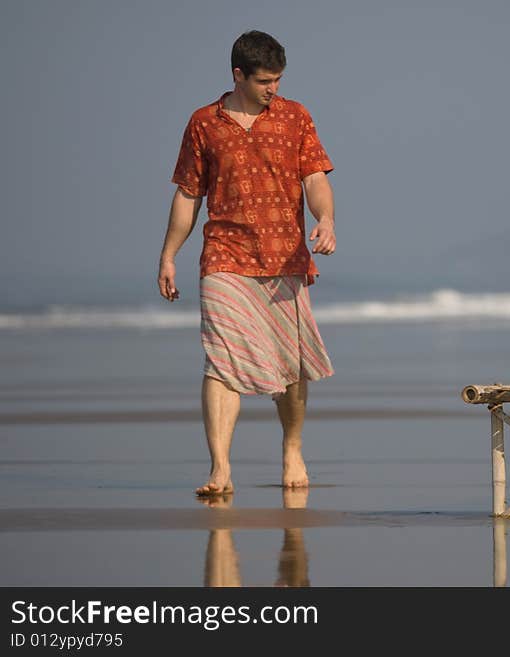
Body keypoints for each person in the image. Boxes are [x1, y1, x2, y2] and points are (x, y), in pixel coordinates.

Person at [157, 30, 336, 497]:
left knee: (291, 365)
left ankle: (292, 447)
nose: (272, 88)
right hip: (225, 257)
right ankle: (220, 469)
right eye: (263, 81)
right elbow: (188, 195)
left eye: (277, 79)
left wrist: (327, 219)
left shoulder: (296, 117)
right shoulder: (203, 124)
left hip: (284, 257)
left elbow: (315, 177)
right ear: (238, 75)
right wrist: (169, 255)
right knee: (220, 363)